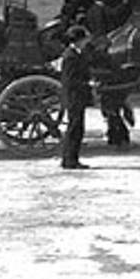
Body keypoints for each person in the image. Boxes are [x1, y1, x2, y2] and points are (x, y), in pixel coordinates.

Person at [60, 25, 93, 170]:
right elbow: (70, 80)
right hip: (74, 96)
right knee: (74, 128)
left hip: (77, 95)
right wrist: (87, 84)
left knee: (77, 128)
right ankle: (69, 159)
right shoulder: (71, 56)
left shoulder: (76, 54)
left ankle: (72, 158)